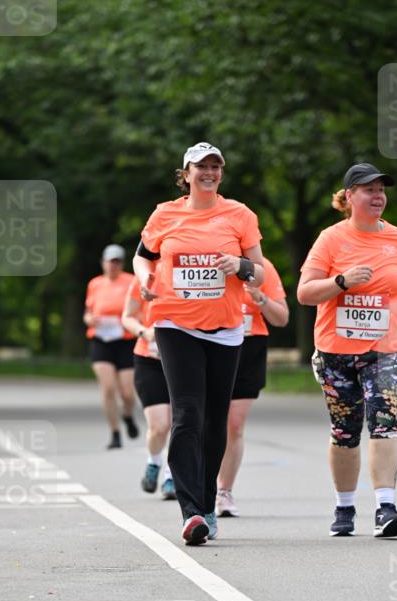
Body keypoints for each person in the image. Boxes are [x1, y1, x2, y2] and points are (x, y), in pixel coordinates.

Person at [297, 162, 397, 538]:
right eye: (368, 190)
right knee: (345, 431)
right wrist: (341, 281)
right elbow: (304, 292)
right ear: (348, 197)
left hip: (385, 350)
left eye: (381, 190)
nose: (378, 196)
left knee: (383, 420)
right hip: (335, 351)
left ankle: (385, 507)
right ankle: (344, 509)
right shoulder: (330, 239)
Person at [133, 142, 265, 545]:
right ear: (186, 173)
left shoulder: (239, 215)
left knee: (214, 420)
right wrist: (143, 279)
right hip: (175, 324)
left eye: (215, 166)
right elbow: (144, 256)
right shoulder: (165, 214)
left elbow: (259, 272)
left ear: (221, 173)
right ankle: (191, 512)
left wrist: (239, 266)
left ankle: (208, 502)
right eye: (201, 167)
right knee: (187, 414)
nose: (209, 172)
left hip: (226, 328)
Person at [216, 257, 289, 517]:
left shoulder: (262, 268)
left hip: (249, 348)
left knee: (234, 424)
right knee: (204, 419)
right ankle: (196, 484)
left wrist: (261, 299)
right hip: (213, 343)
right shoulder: (207, 260)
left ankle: (224, 491)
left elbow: (282, 318)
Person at [122, 274, 176, 499]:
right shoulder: (146, 276)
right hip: (148, 360)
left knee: (179, 423)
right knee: (160, 426)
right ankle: (153, 461)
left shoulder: (189, 273)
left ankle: (171, 476)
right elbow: (127, 317)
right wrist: (144, 332)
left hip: (180, 360)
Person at [84, 244, 140, 448]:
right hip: (101, 341)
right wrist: (90, 319)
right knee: (108, 389)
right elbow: (88, 312)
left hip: (125, 340)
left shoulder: (131, 281)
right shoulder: (95, 284)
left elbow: (139, 309)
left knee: (127, 393)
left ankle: (127, 416)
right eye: (110, 261)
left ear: (122, 263)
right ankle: (115, 433)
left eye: (117, 261)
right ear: (103, 263)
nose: (113, 265)